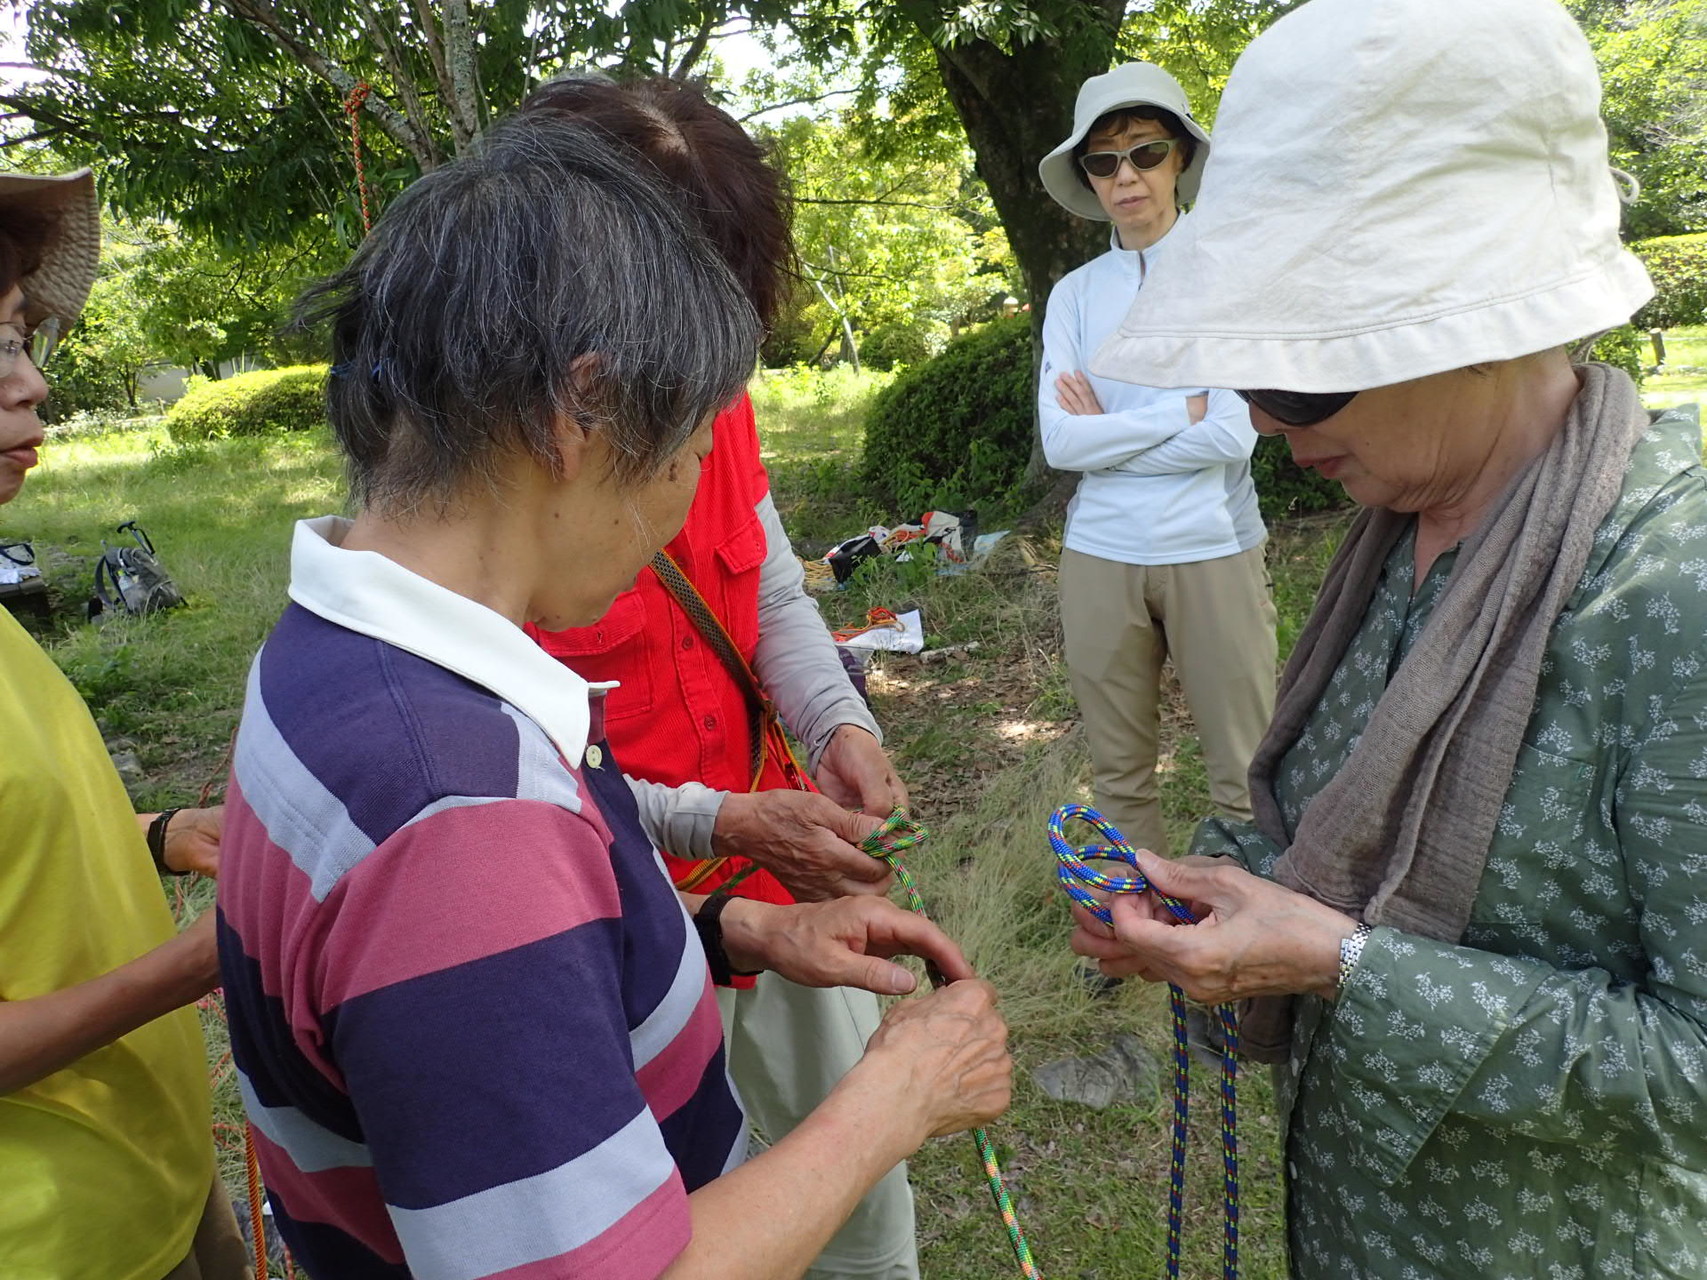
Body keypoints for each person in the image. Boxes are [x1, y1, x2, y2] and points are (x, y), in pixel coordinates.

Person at [216, 115, 1011, 1279]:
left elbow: (525, 966)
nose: (695, 492)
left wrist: (744, 924)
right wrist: (896, 1095)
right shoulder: (456, 822)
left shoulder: (336, 656)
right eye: (690, 438)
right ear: (579, 410)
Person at [1069, 0, 1707, 1274]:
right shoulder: (1400, 529)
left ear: (1470, 325)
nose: (1257, 415)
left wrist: (1344, 965)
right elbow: (1333, 832)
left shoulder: (1671, 593)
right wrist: (1211, 894)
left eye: (1297, 368)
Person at [516, 76, 921, 1279]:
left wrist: (835, 717)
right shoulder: (479, 499)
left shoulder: (718, 404)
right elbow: (510, 768)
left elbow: (773, 587)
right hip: (622, 931)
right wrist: (722, 819)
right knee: (694, 1215)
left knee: (852, 1209)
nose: (705, 401)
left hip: (783, 891)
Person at [0, 169, 245, 1279]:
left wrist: (153, 833)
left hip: (155, 1173)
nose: (27, 388)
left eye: (18, 340)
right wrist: (202, 957)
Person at [1036, 63, 1275, 858]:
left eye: (1144, 152)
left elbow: (1231, 437)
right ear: (1087, 178)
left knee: (1243, 768)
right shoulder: (1073, 295)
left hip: (1211, 547)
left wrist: (1111, 435)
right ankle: (1129, 935)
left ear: (1178, 159)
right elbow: (1062, 443)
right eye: (1103, 162)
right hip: (1099, 555)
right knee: (1117, 771)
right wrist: (1179, 409)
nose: (1125, 176)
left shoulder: (1227, 276)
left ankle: (1242, 947)